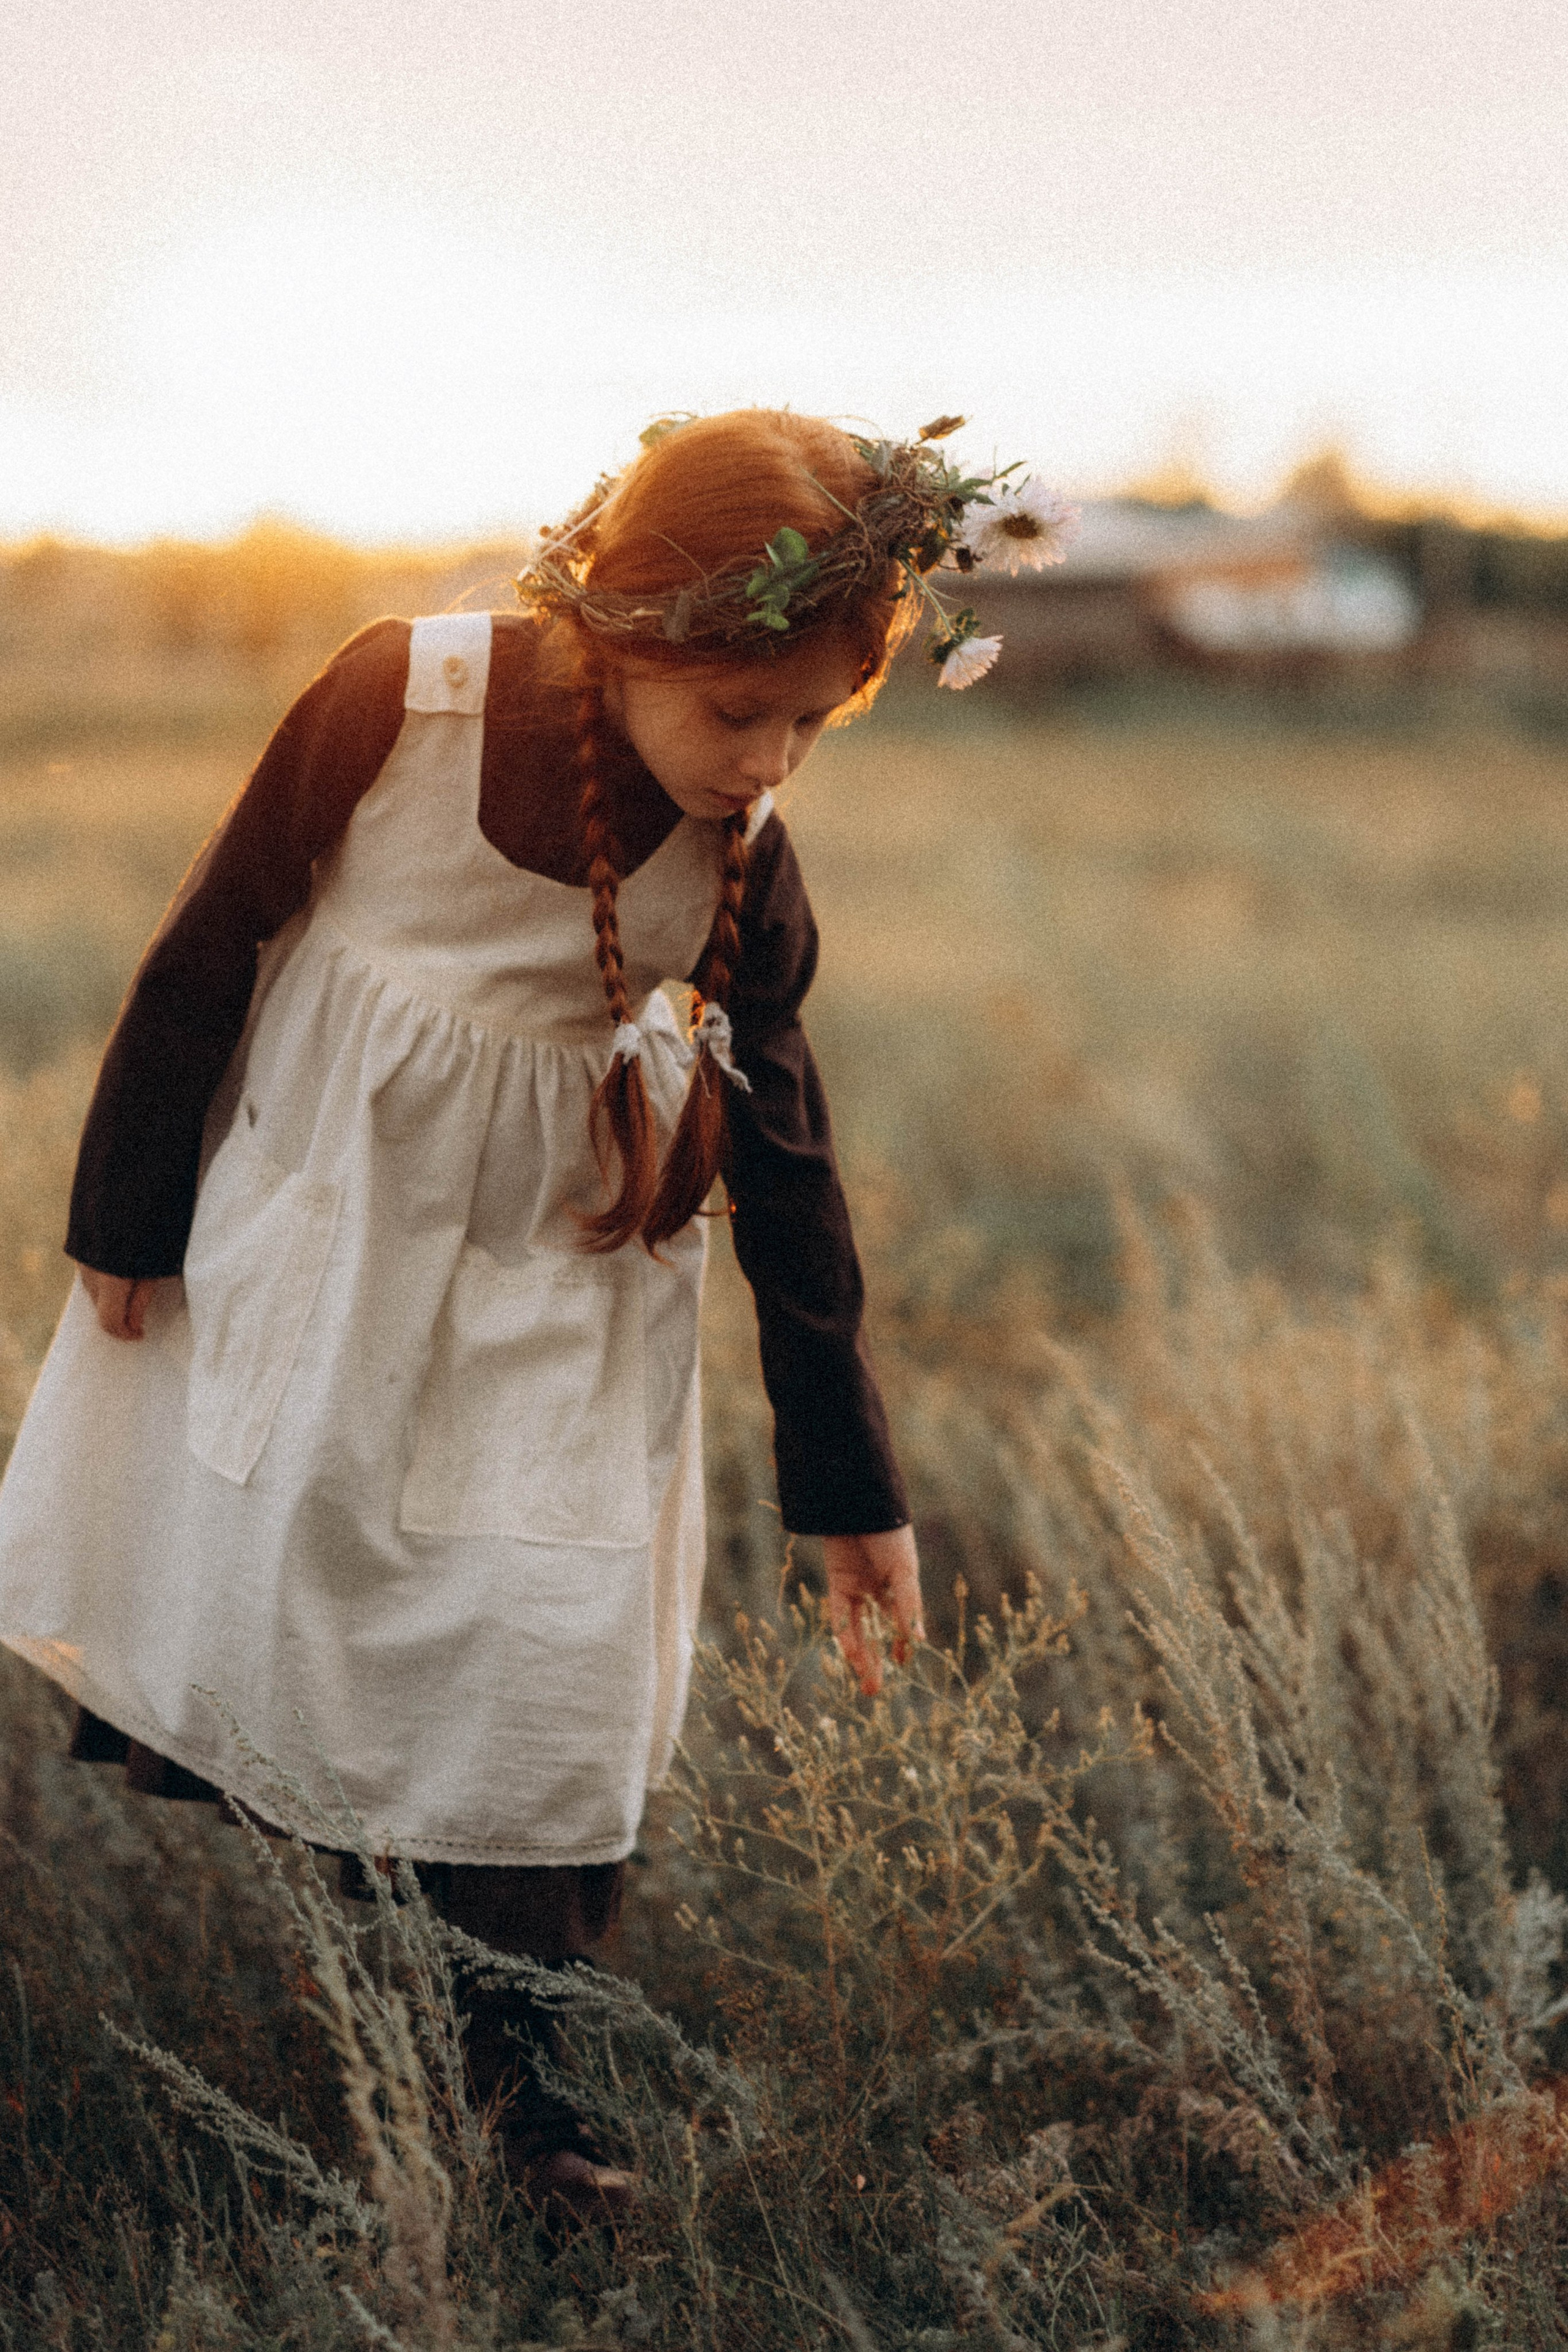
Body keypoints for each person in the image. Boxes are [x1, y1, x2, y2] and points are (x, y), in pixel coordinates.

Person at [0, 408, 1072, 2212]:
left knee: (546, 1679)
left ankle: (537, 2123)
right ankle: (397, 2020)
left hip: (561, 1310)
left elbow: (788, 1160)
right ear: (628, 626)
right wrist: (131, 1208)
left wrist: (852, 1485)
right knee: (329, 1627)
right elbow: (214, 933)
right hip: (328, 1259)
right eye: (742, 712)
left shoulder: (745, 864)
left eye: (813, 723)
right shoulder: (396, 700)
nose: (771, 761)